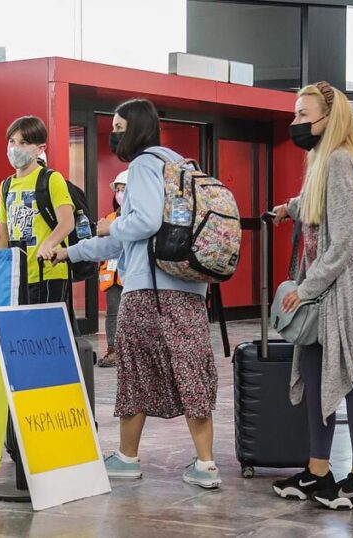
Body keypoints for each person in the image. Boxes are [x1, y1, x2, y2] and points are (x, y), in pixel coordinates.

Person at [49, 99, 221, 489]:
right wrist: (72, 252)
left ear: (137, 128)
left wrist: (110, 226)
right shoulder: (182, 164)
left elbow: (139, 224)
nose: (114, 132)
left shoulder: (144, 163)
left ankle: (127, 458)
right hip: (190, 287)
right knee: (191, 368)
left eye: (118, 125)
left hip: (150, 291)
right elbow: (125, 242)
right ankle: (206, 464)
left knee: (136, 371)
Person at [270, 81, 353, 510]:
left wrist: (304, 289)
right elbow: (318, 204)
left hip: (339, 292)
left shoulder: (338, 159)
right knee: (320, 377)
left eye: (303, 115)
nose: (295, 122)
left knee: (352, 379)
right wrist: (290, 207)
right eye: (295, 113)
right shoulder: (323, 158)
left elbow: (345, 236)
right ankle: (318, 471)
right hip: (327, 291)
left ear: (327, 118)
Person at [0, 116, 74, 304]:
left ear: (40, 149)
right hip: (17, 275)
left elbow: (67, 222)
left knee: (45, 331)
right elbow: (2, 235)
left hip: (48, 272)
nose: (15, 148)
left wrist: (48, 244)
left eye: (24, 142)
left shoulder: (51, 179)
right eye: (11, 141)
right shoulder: (6, 185)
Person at [97, 170, 128, 367]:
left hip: (132, 276)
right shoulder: (108, 217)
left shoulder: (137, 219)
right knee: (113, 312)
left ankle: (131, 353)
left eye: (124, 189)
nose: (120, 194)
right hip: (112, 275)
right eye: (117, 190)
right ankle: (113, 349)